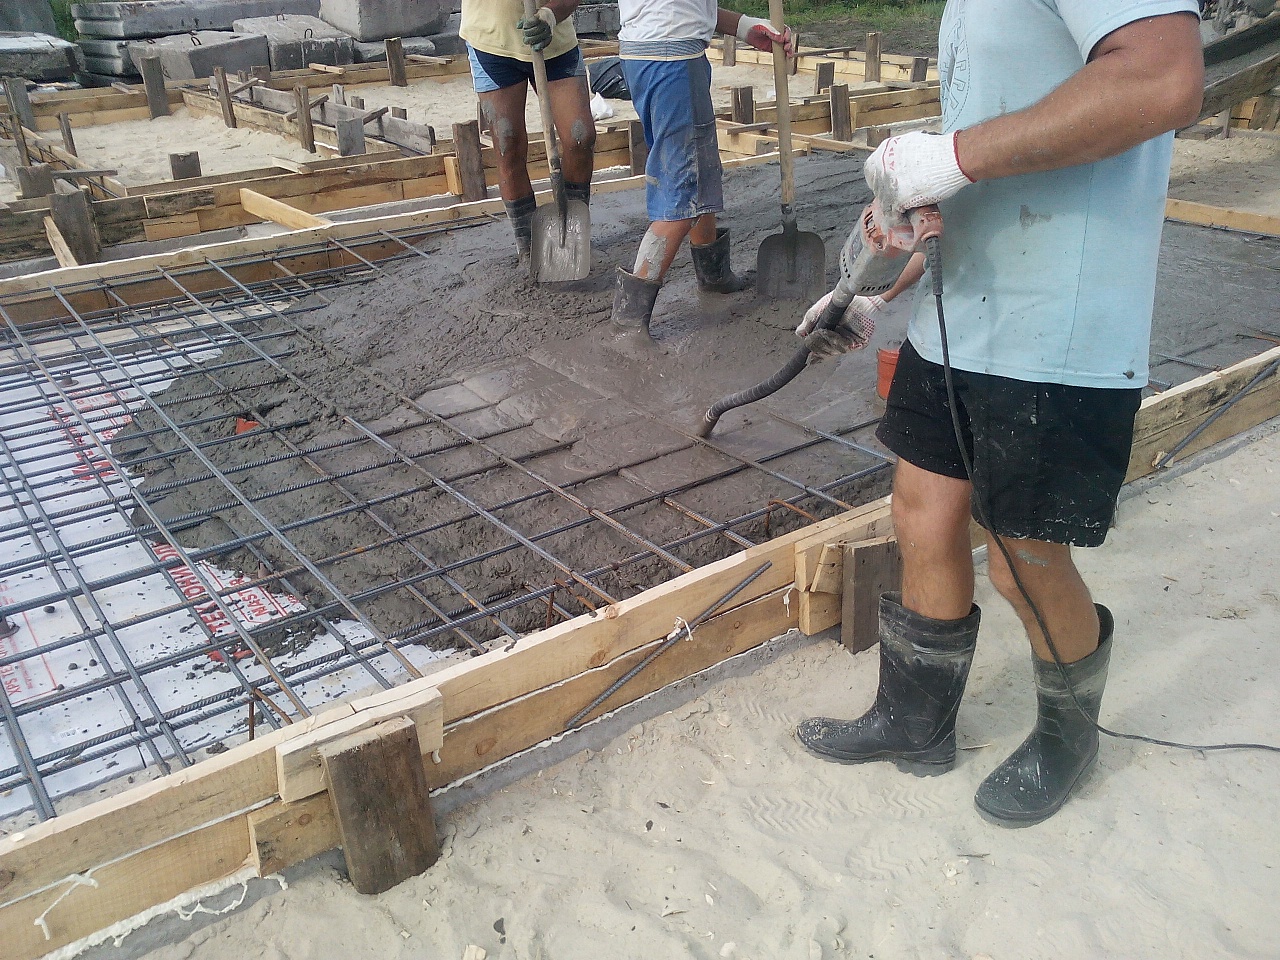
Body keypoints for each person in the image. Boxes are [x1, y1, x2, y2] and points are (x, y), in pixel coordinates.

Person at [793, 1, 1204, 825]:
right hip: (961, 312)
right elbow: (980, 162)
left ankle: (1067, 737)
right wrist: (882, 289)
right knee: (922, 517)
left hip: (1058, 326)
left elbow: (1164, 79)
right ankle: (915, 722)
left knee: (1024, 559)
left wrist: (949, 154)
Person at [609, 2, 795, 351]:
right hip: (670, 58)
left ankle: (713, 274)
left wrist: (742, 26)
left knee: (701, 169)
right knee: (682, 191)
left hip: (658, 52)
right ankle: (628, 323)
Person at [460, 0, 596, 263]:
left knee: (580, 138)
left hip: (555, 43)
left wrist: (549, 15)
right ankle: (529, 249)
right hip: (491, 43)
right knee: (507, 145)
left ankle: (570, 235)